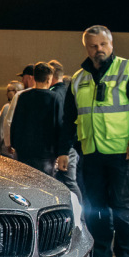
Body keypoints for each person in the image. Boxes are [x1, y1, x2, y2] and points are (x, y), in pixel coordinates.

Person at [57, 25, 129, 257]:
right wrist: (64, 150)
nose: (98, 49)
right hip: (92, 152)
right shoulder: (78, 78)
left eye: (102, 45)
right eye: (93, 45)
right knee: (96, 207)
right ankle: (101, 255)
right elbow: (69, 118)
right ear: (86, 47)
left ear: (111, 45)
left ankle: (125, 256)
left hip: (124, 153)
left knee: (122, 207)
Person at [8, 62, 63, 175]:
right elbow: (59, 124)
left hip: (25, 151)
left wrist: (14, 143)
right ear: (49, 79)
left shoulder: (23, 97)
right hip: (46, 152)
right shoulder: (54, 98)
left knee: (25, 182)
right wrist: (60, 150)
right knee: (45, 184)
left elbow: (16, 122)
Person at [47, 59, 81, 201]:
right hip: (70, 145)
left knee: (68, 182)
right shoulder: (68, 92)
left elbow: (58, 123)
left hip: (63, 147)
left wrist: (63, 149)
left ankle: (81, 215)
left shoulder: (53, 95)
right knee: (69, 181)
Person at [0, 80, 25, 156]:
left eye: (8, 91)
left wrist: (0, 146)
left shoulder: (7, 107)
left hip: (6, 150)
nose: (6, 93)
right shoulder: (26, 107)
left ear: (15, 91)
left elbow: (0, 130)